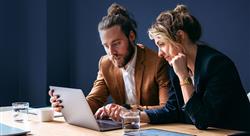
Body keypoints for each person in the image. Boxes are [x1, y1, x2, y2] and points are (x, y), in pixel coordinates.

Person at [138, 4, 250, 131]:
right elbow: (173, 110)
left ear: (180, 36)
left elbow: (202, 120)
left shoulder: (217, 65)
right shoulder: (176, 65)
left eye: (162, 44)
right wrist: (134, 116)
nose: (159, 53)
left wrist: (183, 76)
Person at [49, 3, 169, 119]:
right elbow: (94, 100)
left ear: (131, 37)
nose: (111, 52)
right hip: (123, 130)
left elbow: (166, 108)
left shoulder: (157, 62)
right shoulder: (105, 63)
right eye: (106, 46)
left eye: (116, 44)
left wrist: (128, 110)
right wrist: (67, 105)